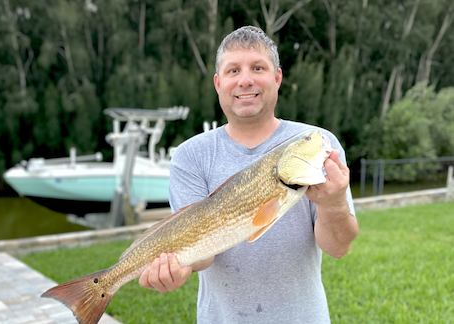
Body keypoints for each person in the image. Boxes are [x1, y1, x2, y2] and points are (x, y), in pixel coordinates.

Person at [139, 25, 359, 323]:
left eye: (258, 67)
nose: (245, 80)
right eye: (233, 71)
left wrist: (333, 204)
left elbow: (338, 247)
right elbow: (203, 253)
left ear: (277, 77)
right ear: (218, 83)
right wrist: (179, 266)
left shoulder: (319, 143)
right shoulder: (189, 156)